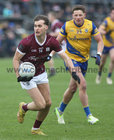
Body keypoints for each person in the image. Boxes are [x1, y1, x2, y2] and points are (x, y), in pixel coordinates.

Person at [13, 15, 80, 135]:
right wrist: (18, 75)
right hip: (27, 74)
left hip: (41, 72)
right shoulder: (26, 42)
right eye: (35, 26)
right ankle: (24, 107)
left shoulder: (51, 41)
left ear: (46, 27)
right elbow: (15, 59)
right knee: (40, 104)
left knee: (48, 103)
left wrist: (74, 71)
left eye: (39, 26)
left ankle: (35, 129)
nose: (36, 28)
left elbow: (65, 57)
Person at [54, 5, 104, 125]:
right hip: (70, 60)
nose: (78, 17)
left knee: (72, 89)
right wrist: (50, 55)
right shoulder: (67, 25)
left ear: (84, 15)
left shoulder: (90, 25)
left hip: (84, 61)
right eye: (75, 15)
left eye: (80, 15)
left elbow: (100, 40)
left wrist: (98, 54)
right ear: (72, 16)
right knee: (83, 84)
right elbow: (56, 42)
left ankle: (59, 110)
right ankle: (89, 116)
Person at [96, 7, 114, 85]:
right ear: (110, 14)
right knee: (102, 63)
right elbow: (100, 29)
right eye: (113, 13)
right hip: (105, 45)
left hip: (112, 45)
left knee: (113, 58)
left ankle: (109, 77)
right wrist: (105, 32)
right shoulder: (107, 21)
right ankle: (99, 74)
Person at [47, 11, 66, 77]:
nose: (48, 18)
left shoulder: (56, 23)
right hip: (59, 44)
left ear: (53, 17)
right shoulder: (55, 23)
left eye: (49, 16)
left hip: (62, 44)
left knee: (67, 58)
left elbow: (59, 33)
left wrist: (50, 34)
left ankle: (78, 69)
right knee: (48, 54)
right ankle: (52, 70)